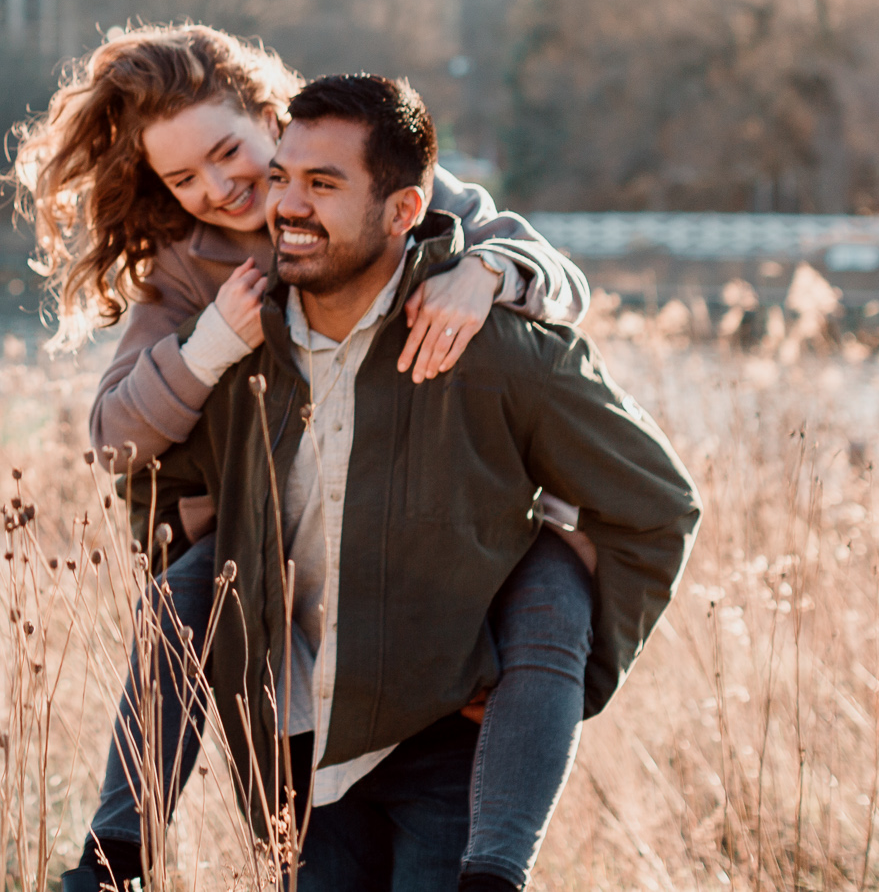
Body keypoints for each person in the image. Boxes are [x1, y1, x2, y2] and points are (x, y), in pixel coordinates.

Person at [14, 27, 595, 892]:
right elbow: (113, 436)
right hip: (273, 592)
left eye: (229, 150)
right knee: (185, 591)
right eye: (184, 178)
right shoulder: (188, 269)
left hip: (420, 569)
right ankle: (115, 855)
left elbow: (561, 283)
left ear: (269, 114)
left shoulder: (384, 192)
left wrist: (485, 275)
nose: (220, 186)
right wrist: (210, 342)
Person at [137, 74, 699, 890]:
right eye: (284, 177)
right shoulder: (239, 342)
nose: (283, 204)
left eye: (322, 184)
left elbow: (656, 506)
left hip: (443, 750)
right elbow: (149, 478)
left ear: (402, 210)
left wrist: (565, 675)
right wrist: (235, 638)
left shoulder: (490, 345)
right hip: (296, 758)